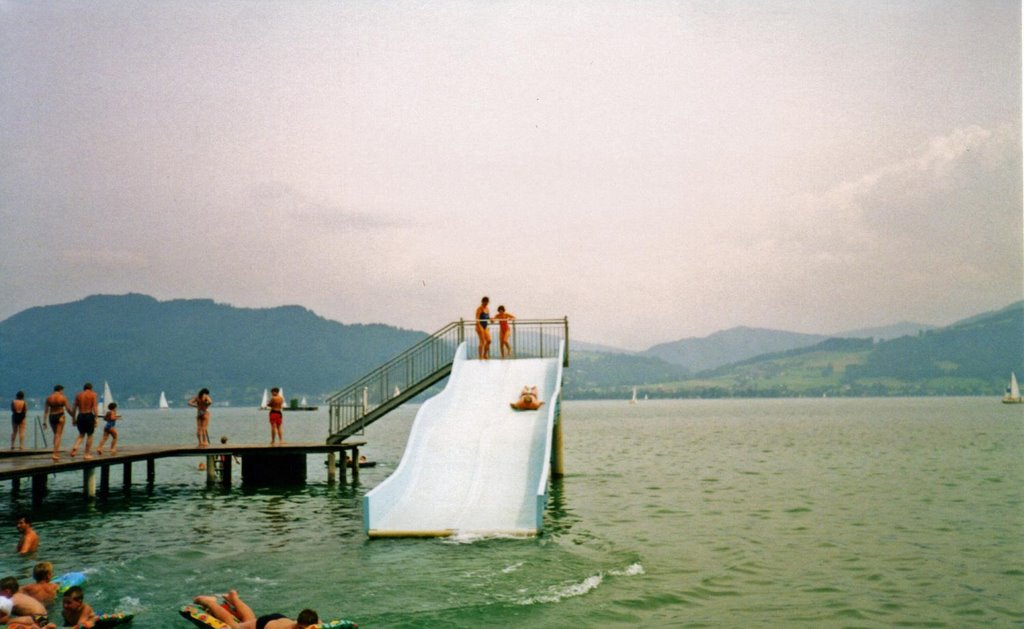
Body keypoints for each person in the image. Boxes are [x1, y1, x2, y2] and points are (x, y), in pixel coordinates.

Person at [193, 590, 319, 629]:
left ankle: (234, 597)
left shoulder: (316, 624)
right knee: (236, 627)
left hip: (279, 619)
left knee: (249, 619)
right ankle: (208, 602)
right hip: (264, 625)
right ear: (297, 625)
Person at [69, 383, 99, 460]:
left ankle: (75, 447)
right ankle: (87, 454)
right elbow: (95, 407)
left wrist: (73, 419)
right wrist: (96, 418)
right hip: (89, 415)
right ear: (91, 388)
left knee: (81, 434)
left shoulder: (78, 395)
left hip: (80, 416)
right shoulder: (93, 394)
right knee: (90, 435)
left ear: (84, 388)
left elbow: (74, 408)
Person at [44, 386, 71, 461]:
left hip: (51, 416)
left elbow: (46, 411)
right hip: (60, 416)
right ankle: (55, 453)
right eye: (62, 391)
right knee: (58, 435)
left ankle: (55, 451)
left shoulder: (49, 398)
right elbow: (68, 409)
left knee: (55, 435)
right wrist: (73, 416)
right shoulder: (63, 397)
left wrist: (44, 421)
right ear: (60, 390)